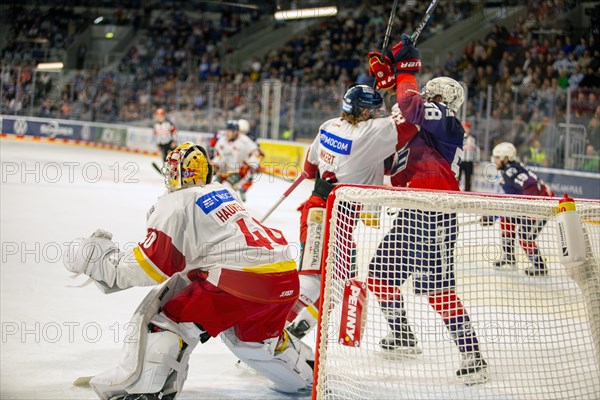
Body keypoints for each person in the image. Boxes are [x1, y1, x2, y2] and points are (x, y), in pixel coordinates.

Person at [63, 142, 313, 399]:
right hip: (283, 278)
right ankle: (309, 376)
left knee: (167, 323)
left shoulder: (174, 203)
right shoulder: (225, 191)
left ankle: (146, 391)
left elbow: (150, 266)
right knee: (255, 342)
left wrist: (99, 262)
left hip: (238, 281)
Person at [368, 34, 488, 385]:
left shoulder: (447, 120)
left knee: (438, 289)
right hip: (409, 211)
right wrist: (383, 88)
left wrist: (404, 72)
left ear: (447, 98)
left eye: (437, 92)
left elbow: (412, 106)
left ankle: (473, 356)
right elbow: (388, 144)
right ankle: (403, 335)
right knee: (379, 276)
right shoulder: (420, 125)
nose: (434, 95)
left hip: (435, 211)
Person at [286, 83, 419, 341]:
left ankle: (282, 329)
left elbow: (310, 168)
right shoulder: (369, 133)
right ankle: (281, 330)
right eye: (374, 110)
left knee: (327, 279)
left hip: (318, 211)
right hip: (335, 215)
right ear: (366, 112)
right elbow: (412, 120)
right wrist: (398, 78)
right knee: (327, 282)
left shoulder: (329, 125)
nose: (377, 114)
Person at [485, 142, 554, 276]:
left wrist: (492, 217)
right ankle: (509, 256)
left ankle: (539, 265)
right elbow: (511, 200)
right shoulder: (510, 169)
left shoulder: (509, 172)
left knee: (525, 236)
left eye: (497, 158)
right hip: (530, 205)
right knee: (506, 219)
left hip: (540, 207)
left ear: (506, 158)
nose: (495, 161)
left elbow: (532, 185)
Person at [211, 120, 263, 202]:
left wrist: (252, 165)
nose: (227, 133)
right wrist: (214, 165)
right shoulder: (222, 140)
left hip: (236, 172)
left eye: (230, 131)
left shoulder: (245, 141)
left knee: (225, 188)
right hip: (222, 172)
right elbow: (218, 156)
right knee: (212, 189)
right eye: (227, 130)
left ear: (235, 132)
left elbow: (257, 154)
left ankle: (231, 203)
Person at [459, 121, 479, 191]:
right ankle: (456, 190)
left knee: (468, 178)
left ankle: (467, 191)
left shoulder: (473, 139)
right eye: (464, 128)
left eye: (467, 128)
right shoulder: (458, 137)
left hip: (469, 161)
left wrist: (476, 160)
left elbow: (477, 150)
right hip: (460, 161)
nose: (465, 129)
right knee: (458, 177)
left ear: (469, 129)